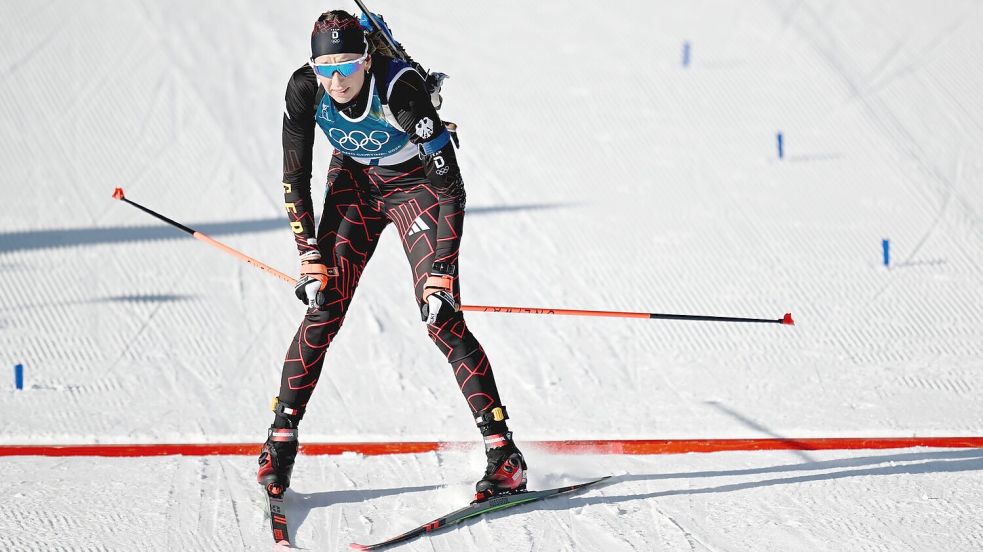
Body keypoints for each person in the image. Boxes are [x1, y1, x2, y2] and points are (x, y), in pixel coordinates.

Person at [256, 10, 526, 504]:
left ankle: (503, 454)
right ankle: (279, 443)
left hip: (415, 187)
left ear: (365, 59)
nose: (336, 80)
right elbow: (295, 177)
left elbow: (451, 188)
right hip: (355, 184)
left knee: (440, 317)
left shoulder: (400, 90)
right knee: (323, 306)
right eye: (325, 68)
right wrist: (308, 253)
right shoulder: (304, 89)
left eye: (346, 66)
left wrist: (442, 273)